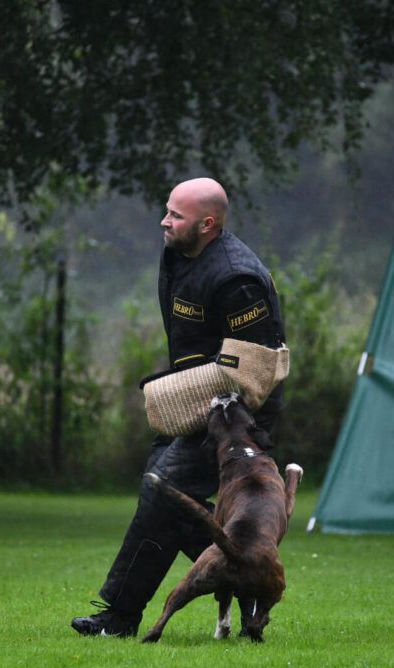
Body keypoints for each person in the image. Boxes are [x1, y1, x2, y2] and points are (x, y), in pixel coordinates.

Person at [71, 177, 287, 637]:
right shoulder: (180, 253)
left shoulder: (237, 278)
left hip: (235, 414)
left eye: (176, 215)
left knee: (162, 490)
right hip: (192, 401)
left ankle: (120, 617)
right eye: (167, 210)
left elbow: (256, 368)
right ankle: (247, 572)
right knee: (167, 501)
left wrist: (229, 425)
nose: (164, 221)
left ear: (207, 224)